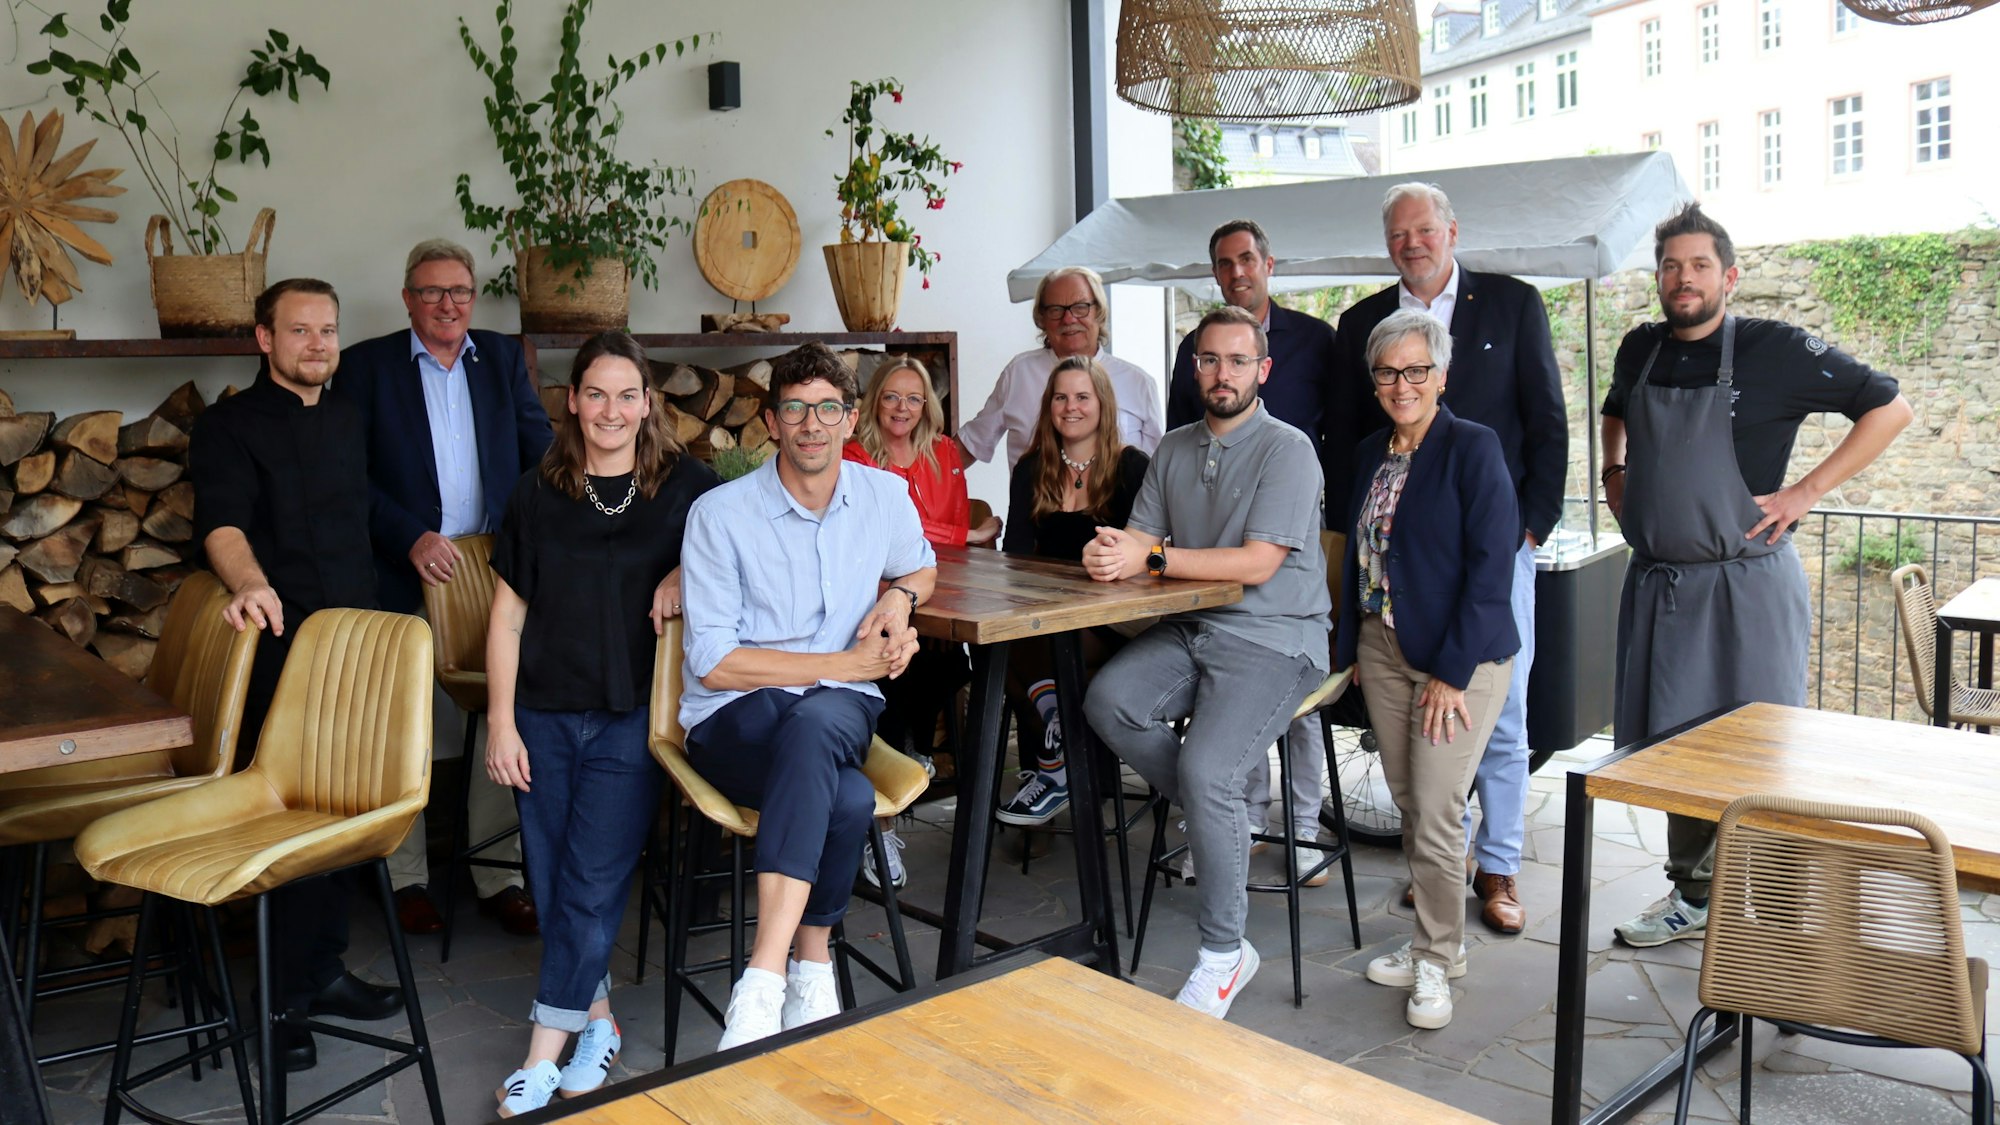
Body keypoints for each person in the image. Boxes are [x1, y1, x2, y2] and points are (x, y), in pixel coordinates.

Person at [1604, 203, 1912, 948]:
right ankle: (1696, 895)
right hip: (1663, 588)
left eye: (1699, 265)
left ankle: (1775, 910)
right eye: (1671, 266)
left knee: (1761, 749)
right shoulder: (1639, 348)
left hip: (1748, 588)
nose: (1683, 279)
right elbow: (1614, 414)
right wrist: (1614, 472)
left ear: (1729, 276)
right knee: (1678, 748)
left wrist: (1806, 491)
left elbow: (1888, 407)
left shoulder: (1776, 349)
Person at [483, 332, 718, 1115]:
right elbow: (507, 619)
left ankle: (540, 1056)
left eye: (627, 394)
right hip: (542, 714)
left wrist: (689, 566)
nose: (611, 410)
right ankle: (601, 1023)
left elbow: (744, 543)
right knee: (551, 878)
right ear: (572, 401)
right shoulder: (535, 492)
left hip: (631, 718)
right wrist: (500, 722)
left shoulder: (688, 488)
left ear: (648, 402)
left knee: (592, 877)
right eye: (595, 393)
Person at [679, 342, 935, 1051]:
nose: (812, 424)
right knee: (847, 796)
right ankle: (810, 958)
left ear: (851, 419)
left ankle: (760, 979)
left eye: (827, 408)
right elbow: (713, 663)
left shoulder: (883, 495)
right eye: (795, 409)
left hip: (840, 706)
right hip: (735, 715)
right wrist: (842, 660)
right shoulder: (720, 513)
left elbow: (922, 563)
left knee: (821, 719)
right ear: (770, 421)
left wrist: (902, 599)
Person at [1330, 183, 1566, 934]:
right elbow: (1347, 443)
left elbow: (1548, 418)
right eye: (1399, 234)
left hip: (1493, 551)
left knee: (1499, 711)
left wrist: (1530, 527)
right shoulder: (1362, 323)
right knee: (1421, 734)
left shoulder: (1511, 304)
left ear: (1452, 231)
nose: (1413, 243)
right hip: (1402, 563)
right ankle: (1444, 857)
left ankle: (1496, 866)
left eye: (1425, 229)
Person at [1082, 306, 1330, 1020]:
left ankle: (1225, 953)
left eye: (1237, 360)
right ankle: (1215, 813)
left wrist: (1150, 558)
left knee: (1208, 768)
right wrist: (1110, 554)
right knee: (1110, 701)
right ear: (1194, 369)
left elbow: (1257, 562)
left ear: (1263, 370)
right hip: (1194, 626)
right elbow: (1139, 537)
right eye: (1209, 360)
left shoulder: (1289, 449)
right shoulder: (1175, 448)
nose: (1223, 374)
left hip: (1277, 636)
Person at [188, 279, 405, 1073]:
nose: (318, 344)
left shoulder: (349, 418)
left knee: (344, 823)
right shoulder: (227, 427)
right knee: (288, 831)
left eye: (328, 331)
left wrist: (415, 542)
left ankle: (324, 972)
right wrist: (248, 581)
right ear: (263, 339)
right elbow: (223, 520)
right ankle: (278, 1000)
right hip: (281, 652)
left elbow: (366, 512)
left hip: (358, 650)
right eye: (301, 331)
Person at [333, 238, 553, 939]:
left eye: (459, 291)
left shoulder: (500, 358)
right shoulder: (367, 367)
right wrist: (407, 533)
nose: (448, 305)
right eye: (432, 292)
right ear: (407, 299)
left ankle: (499, 872)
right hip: (404, 569)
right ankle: (406, 879)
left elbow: (538, 454)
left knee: (499, 706)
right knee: (406, 724)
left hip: (489, 568)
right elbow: (348, 477)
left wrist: (529, 538)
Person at [1336, 310, 1521, 1030]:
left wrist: (1450, 670)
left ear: (1441, 376)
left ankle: (1438, 954)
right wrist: (1352, 648)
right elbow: (1358, 557)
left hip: (1462, 657)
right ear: (1375, 381)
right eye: (1388, 371)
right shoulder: (1366, 456)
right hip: (1384, 649)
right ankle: (1437, 945)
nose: (1402, 383)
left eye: (1417, 370)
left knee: (1439, 810)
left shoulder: (1474, 448)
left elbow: (1490, 569)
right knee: (1415, 802)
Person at [1168, 218, 1340, 887]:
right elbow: (1191, 437)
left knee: (1285, 684)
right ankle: (1239, 816)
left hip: (1298, 533)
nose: (1237, 270)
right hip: (1224, 542)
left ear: (1270, 263)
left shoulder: (1315, 341)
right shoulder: (1197, 345)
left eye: (1247, 259)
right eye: (1223, 262)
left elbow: (1342, 426)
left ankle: (1299, 826)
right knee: (1228, 694)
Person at [840, 355, 994, 887]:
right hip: (876, 594)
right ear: (874, 401)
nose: (902, 408)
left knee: (952, 665)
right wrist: (963, 536)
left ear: (926, 403)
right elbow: (891, 534)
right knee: (893, 667)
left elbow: (943, 528)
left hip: (943, 591)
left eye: (914, 397)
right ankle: (881, 817)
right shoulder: (855, 453)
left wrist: (959, 538)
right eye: (891, 396)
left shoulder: (945, 452)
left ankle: (915, 757)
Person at [994, 355, 1150, 827]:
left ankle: (1050, 768)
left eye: (1082, 396)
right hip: (1047, 614)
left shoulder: (1132, 467)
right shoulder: (1031, 469)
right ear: (1048, 405)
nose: (1071, 407)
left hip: (1115, 620)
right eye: (1060, 397)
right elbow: (1015, 555)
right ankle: (1059, 761)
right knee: (995, 647)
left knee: (1034, 643)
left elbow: (1150, 556)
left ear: (1102, 404)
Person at [958, 266, 1164, 471]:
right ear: (1042, 318)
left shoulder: (1138, 383)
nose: (1069, 319)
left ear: (1099, 312)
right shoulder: (1019, 373)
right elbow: (971, 444)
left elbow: (1158, 473)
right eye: (1056, 310)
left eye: (1080, 307)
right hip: (1035, 503)